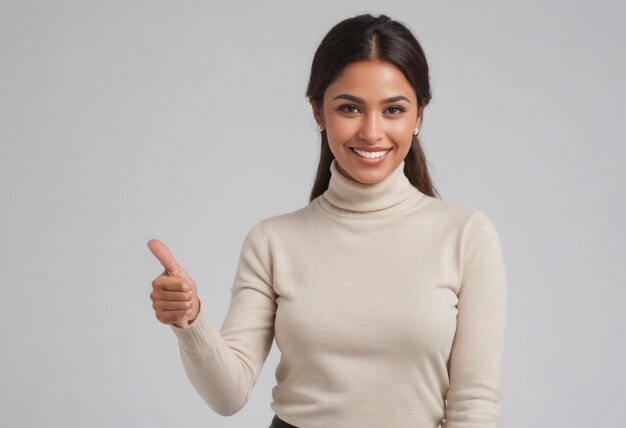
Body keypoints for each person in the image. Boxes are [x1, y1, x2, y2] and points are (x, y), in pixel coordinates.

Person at [147, 13, 507, 428]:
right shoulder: (273, 241)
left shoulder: (466, 235)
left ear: (419, 115)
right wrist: (189, 321)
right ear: (318, 112)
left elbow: (474, 404)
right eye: (349, 108)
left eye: (393, 109)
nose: (372, 132)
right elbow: (228, 395)